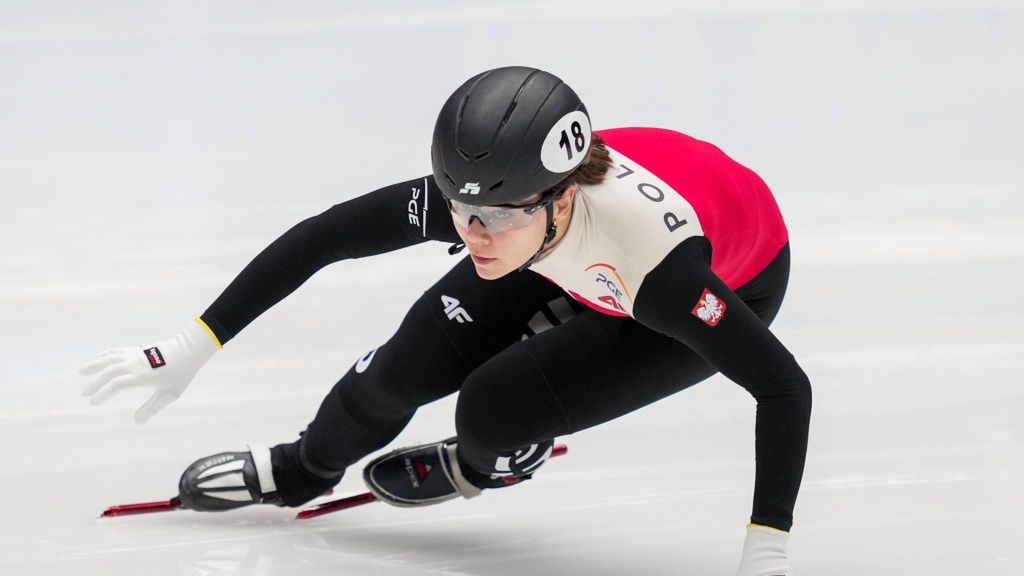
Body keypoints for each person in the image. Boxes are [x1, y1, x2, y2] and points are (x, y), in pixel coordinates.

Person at [79, 66, 811, 575]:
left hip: (726, 281)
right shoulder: (493, 195)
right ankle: (304, 467)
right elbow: (324, 236)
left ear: (556, 197)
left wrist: (765, 547)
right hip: (571, 257)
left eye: (490, 217)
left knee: (489, 409)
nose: (469, 234)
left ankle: (492, 459)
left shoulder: (660, 273)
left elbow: (784, 389)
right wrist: (193, 342)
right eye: (457, 212)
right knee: (402, 367)